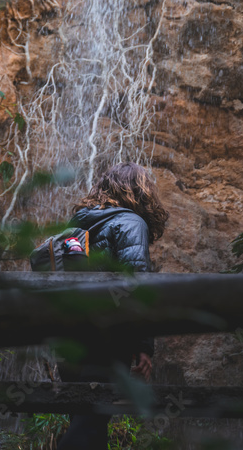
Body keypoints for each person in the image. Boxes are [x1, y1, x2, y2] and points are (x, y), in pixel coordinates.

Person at [56, 162, 168, 450]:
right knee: (91, 420)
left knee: (88, 418)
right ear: (140, 191)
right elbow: (136, 286)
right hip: (107, 339)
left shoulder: (75, 224)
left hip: (69, 340)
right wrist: (143, 345)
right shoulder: (132, 223)